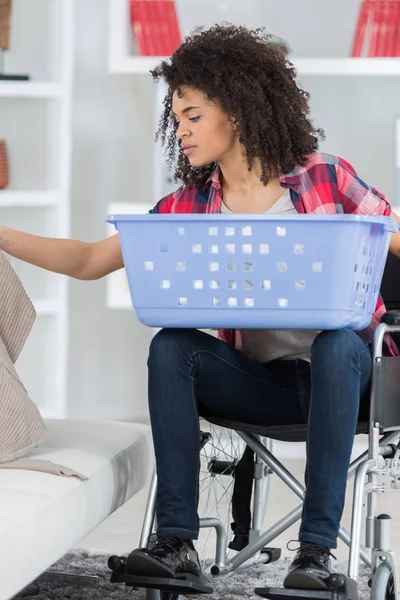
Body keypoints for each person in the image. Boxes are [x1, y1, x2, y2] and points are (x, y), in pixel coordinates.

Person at [1, 24, 400, 591]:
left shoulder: (325, 179)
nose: (181, 131)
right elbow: (91, 259)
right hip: (268, 382)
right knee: (172, 344)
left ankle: (314, 557)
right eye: (177, 118)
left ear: (236, 111)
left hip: (354, 376)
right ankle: (176, 542)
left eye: (193, 115)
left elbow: (394, 236)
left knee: (336, 342)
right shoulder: (191, 205)